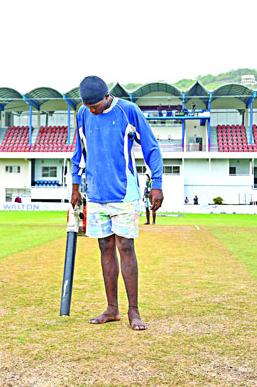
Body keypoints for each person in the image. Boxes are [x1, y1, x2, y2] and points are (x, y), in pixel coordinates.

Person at [71, 76, 163, 331]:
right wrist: (76, 187)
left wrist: (157, 183)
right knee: (104, 247)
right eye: (88, 106)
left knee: (125, 246)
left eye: (96, 106)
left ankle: (134, 311)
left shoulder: (128, 110)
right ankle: (112, 309)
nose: (93, 110)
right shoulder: (83, 114)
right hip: (96, 193)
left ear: (106, 96)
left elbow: (151, 148)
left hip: (124, 194)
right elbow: (79, 151)